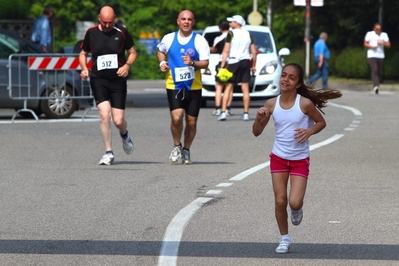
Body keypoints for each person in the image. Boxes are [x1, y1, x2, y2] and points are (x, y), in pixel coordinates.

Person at [252, 63, 342, 254]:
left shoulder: (305, 104)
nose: (285, 80)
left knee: (294, 202)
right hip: (278, 157)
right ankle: (284, 238)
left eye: (291, 78)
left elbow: (321, 122)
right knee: (280, 200)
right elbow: (256, 133)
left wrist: (309, 131)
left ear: (298, 83)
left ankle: (297, 210)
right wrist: (258, 119)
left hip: (300, 159)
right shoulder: (271, 104)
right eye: (284, 75)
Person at [79, 6, 137, 165]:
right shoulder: (91, 33)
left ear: (114, 19)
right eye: (104, 22)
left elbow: (133, 52)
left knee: (118, 121)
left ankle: (125, 135)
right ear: (99, 18)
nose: (107, 26)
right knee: (104, 115)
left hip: (118, 80)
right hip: (98, 79)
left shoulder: (122, 32)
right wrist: (84, 69)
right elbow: (83, 53)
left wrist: (127, 66)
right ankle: (108, 152)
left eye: (110, 23)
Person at [157, 10, 210, 164]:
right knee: (176, 117)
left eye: (189, 19)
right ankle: (176, 146)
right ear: (178, 21)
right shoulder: (169, 38)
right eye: (183, 19)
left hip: (194, 86)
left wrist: (193, 63)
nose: (186, 22)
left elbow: (205, 63)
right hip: (174, 84)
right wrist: (162, 62)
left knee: (192, 122)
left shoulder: (200, 41)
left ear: (193, 22)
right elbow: (160, 51)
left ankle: (186, 150)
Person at [218, 15, 257, 121]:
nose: (230, 23)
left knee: (228, 87)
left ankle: (223, 112)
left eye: (232, 22)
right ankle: (246, 113)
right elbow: (253, 51)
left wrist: (222, 65)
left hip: (233, 62)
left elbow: (226, 50)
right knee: (245, 89)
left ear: (237, 23)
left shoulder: (231, 33)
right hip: (245, 62)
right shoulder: (248, 34)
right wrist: (253, 65)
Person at [210, 19, 232, 116]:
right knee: (230, 87)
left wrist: (208, 47)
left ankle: (218, 108)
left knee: (219, 86)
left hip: (221, 62)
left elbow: (214, 49)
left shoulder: (218, 38)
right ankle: (227, 108)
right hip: (232, 62)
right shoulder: (233, 37)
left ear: (220, 28)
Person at [364, 23, 391, 94]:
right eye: (377, 29)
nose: (378, 30)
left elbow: (388, 45)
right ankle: (376, 86)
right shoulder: (369, 34)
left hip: (381, 55)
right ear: (374, 29)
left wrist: (382, 43)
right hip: (371, 54)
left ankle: (376, 83)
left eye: (380, 29)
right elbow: (365, 43)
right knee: (374, 69)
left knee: (378, 70)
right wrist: (371, 46)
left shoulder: (384, 35)